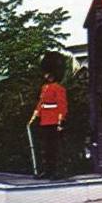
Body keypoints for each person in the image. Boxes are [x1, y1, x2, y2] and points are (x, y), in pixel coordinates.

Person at [28, 52, 68, 180]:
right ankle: (47, 170)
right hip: (44, 120)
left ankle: (58, 171)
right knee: (46, 148)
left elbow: (62, 106)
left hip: (54, 120)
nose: (45, 75)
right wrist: (34, 116)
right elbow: (41, 103)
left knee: (55, 148)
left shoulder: (59, 88)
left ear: (53, 73)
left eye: (47, 73)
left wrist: (60, 122)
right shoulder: (44, 87)